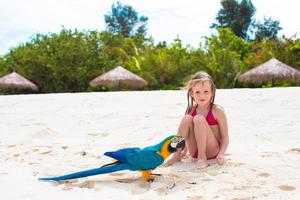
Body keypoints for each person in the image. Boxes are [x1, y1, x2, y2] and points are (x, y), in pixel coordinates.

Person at [165, 71, 229, 169]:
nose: (201, 95)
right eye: (197, 92)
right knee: (186, 118)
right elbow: (186, 133)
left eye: (206, 91)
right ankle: (176, 155)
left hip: (212, 151)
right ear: (191, 93)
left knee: (199, 119)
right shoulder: (191, 110)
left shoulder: (217, 111)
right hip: (194, 152)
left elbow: (225, 137)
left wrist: (221, 154)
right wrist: (184, 150)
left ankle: (202, 158)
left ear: (212, 92)